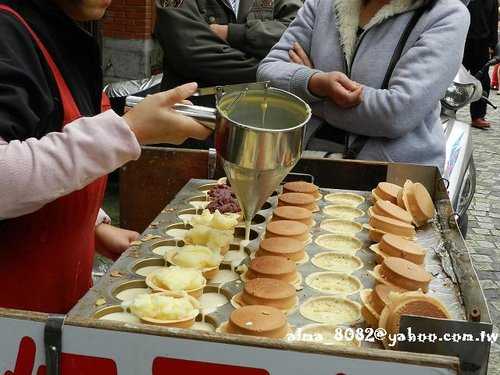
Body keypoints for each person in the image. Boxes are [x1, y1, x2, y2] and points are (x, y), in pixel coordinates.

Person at [0, 0, 212, 314]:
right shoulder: (6, 35)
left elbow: (46, 141)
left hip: (60, 308)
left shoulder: (61, 31)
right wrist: (129, 131)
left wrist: (92, 225)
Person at [257, 0, 470, 170]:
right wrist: (314, 81)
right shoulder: (323, 4)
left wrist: (311, 91)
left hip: (391, 182)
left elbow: (396, 114)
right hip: (301, 165)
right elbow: (268, 71)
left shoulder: (447, 15)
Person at [154, 0, 303, 148]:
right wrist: (276, 70)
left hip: (259, 133)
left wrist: (231, 33)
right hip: (192, 131)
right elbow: (188, 51)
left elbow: (300, 34)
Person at [462, 0, 499, 129]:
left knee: (483, 81)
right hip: (462, 40)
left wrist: (493, 45)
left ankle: (478, 116)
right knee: (452, 78)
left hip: (482, 43)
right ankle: (446, 110)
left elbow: (493, 23)